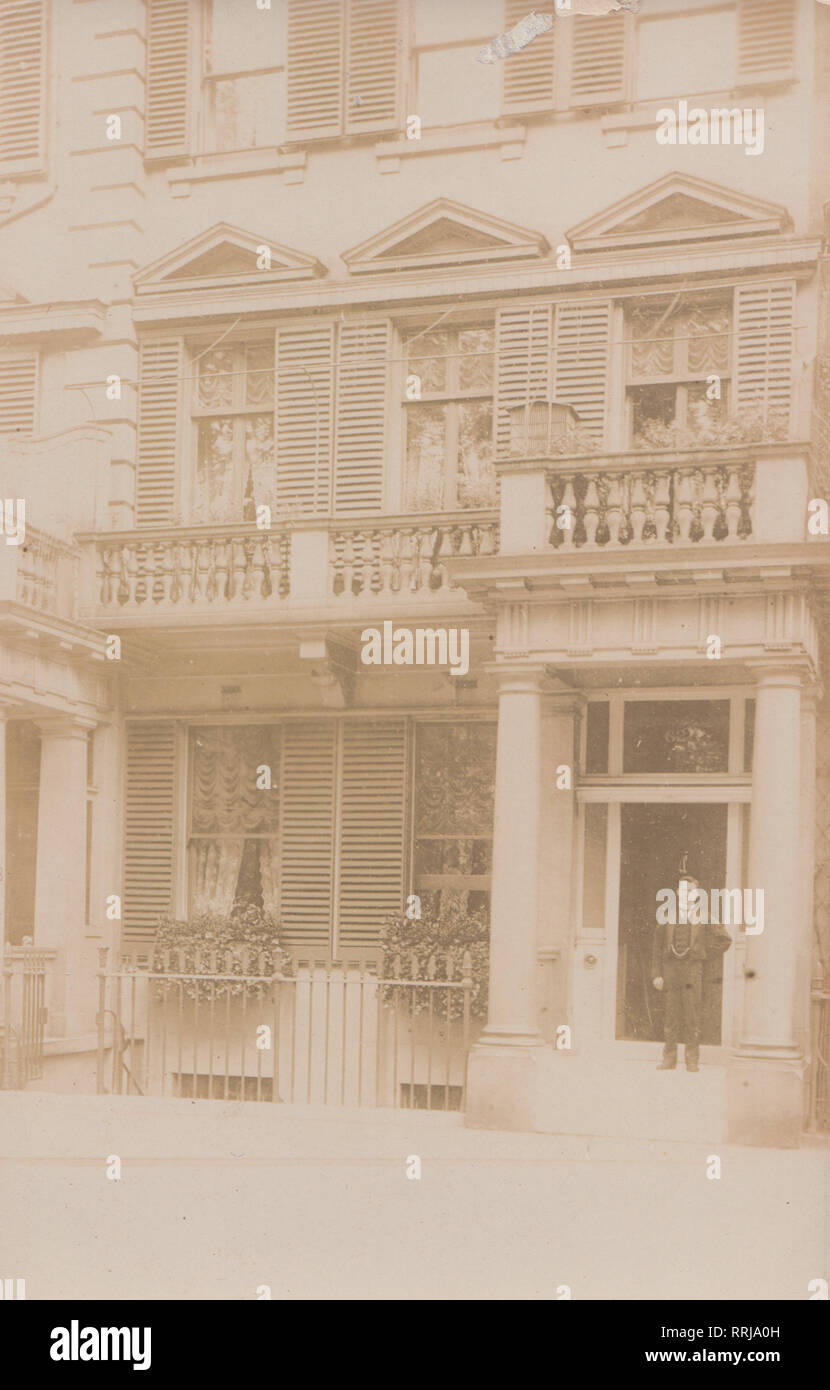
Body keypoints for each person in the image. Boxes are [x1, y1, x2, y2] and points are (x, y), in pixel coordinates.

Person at [652, 874, 732, 1072]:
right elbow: (656, 947)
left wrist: (702, 954)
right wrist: (657, 974)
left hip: (692, 971)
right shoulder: (667, 914)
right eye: (681, 890)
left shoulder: (704, 916)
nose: (684, 894)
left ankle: (692, 1060)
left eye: (689, 891)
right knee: (670, 1017)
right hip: (670, 970)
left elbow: (725, 940)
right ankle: (669, 1060)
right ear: (677, 893)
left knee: (692, 1016)